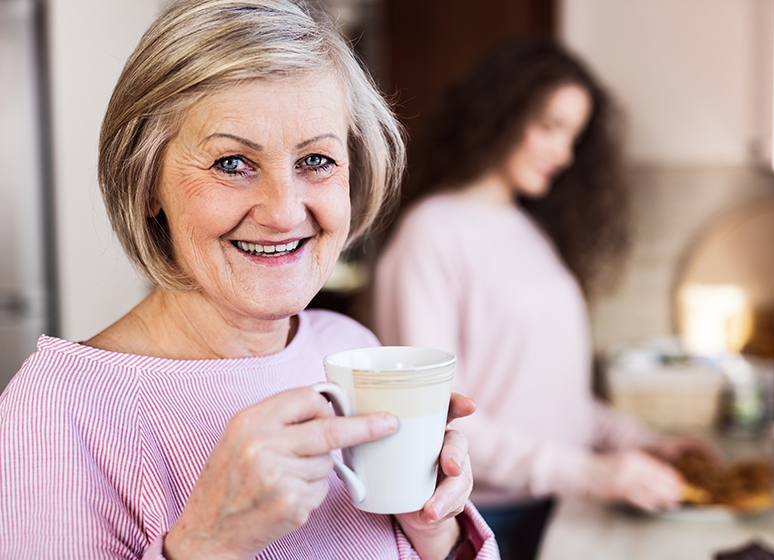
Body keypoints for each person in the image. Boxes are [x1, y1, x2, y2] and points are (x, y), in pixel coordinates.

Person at [0, 1, 499, 559]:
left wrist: (434, 530)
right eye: (232, 163)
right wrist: (207, 544)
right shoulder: (59, 410)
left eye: (316, 160)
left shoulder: (350, 348)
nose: (284, 213)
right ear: (145, 186)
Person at [373, 36, 714, 560]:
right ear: (500, 113)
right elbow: (436, 419)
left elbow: (556, 398)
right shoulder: (431, 235)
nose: (564, 153)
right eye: (550, 127)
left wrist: (637, 441)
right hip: (487, 518)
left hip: (556, 502)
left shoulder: (529, 231)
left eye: (573, 136)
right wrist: (593, 472)